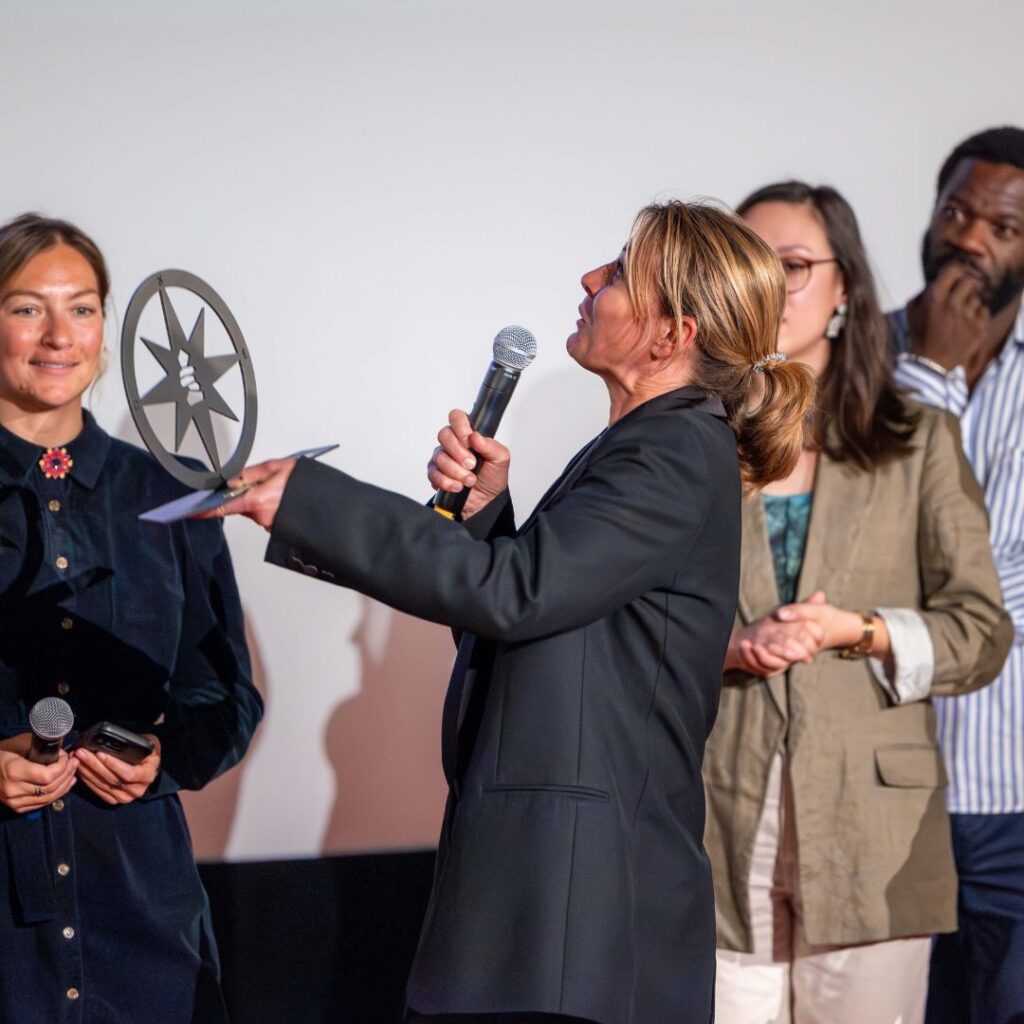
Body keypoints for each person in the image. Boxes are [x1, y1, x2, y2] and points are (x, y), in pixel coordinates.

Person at [208, 201, 815, 1024]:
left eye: (619, 272)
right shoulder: (654, 444)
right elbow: (555, 619)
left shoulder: (670, 451)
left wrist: (308, 502)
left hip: (570, 916)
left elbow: (517, 593)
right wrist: (487, 513)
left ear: (672, 335)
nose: (589, 280)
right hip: (552, 909)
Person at [703, 181, 1012, 1024]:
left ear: (844, 287)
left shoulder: (916, 437)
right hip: (716, 816)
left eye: (795, 265)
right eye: (751, 264)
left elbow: (981, 633)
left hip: (877, 831)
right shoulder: (693, 438)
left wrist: (863, 631)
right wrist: (731, 646)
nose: (772, 286)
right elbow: (642, 620)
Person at [0, 213, 263, 1023]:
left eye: (81, 308)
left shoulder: (169, 493)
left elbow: (225, 697)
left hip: (143, 919)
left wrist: (161, 758)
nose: (59, 336)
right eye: (26, 308)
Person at [888, 126, 1024, 1024]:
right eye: (956, 212)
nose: (970, 238)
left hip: (1015, 798)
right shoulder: (859, 357)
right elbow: (869, 546)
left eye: (1003, 227)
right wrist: (928, 373)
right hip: (885, 788)